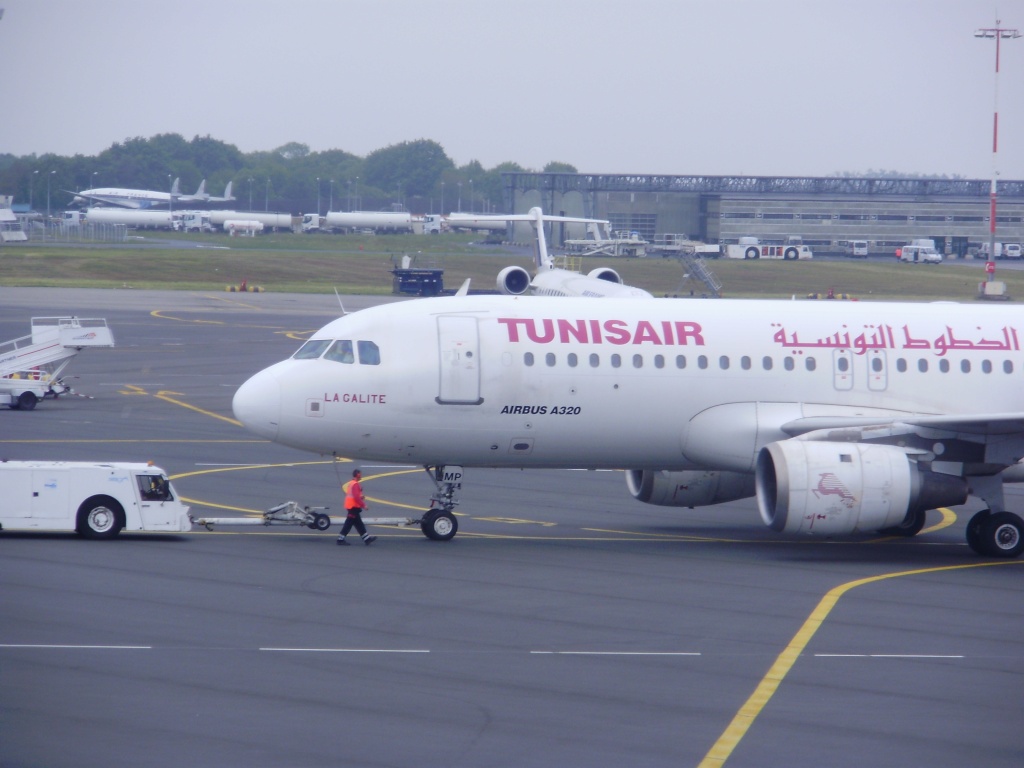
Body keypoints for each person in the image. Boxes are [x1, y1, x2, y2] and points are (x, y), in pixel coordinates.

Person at [337, 468, 376, 546]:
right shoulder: (355, 484)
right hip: (353, 507)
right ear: (357, 475)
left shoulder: (352, 483)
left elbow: (355, 496)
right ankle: (340, 539)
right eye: (360, 474)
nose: (361, 476)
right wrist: (364, 505)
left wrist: (360, 498)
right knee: (349, 524)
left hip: (352, 506)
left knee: (358, 523)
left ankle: (366, 539)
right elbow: (355, 497)